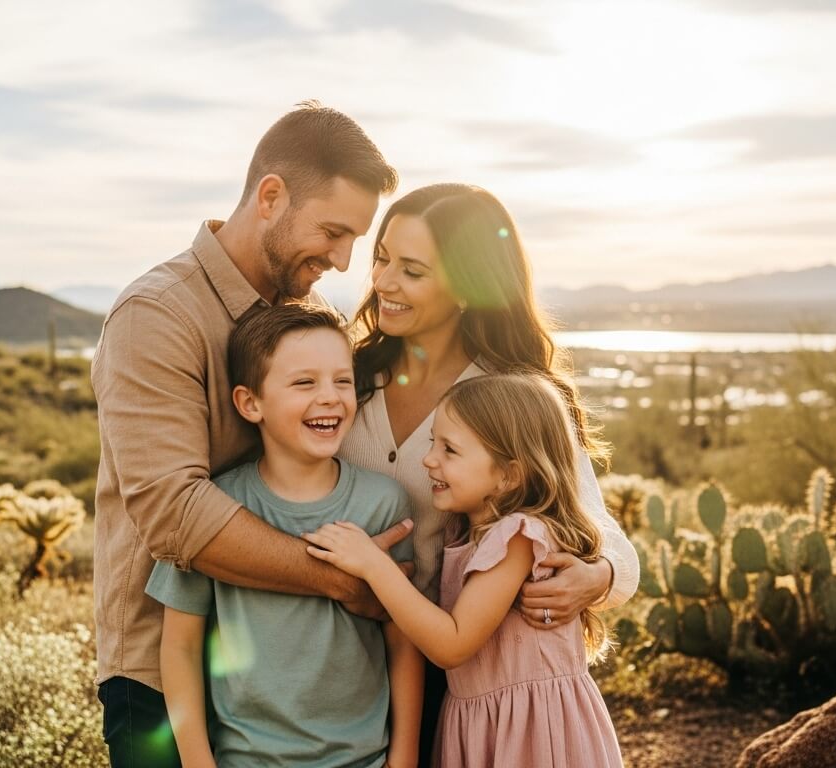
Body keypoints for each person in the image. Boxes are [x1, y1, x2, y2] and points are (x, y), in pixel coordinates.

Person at [90, 101, 408, 767]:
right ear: (270, 197)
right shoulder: (157, 315)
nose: (345, 260)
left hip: (299, 685)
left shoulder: (312, 318)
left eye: (356, 238)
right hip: (164, 671)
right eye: (332, 231)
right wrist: (343, 581)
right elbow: (174, 514)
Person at [334, 183, 639, 760]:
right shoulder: (345, 378)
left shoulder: (512, 399)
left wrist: (594, 578)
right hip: (349, 660)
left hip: (470, 679)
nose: (383, 282)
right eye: (382, 259)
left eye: (412, 270)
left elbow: (604, 537)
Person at [148, 303, 422, 767]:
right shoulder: (217, 507)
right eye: (304, 382)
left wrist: (404, 758)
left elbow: (403, 641)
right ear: (249, 403)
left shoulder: (384, 503)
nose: (331, 397)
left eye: (341, 380)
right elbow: (180, 646)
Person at [305, 373, 624, 767]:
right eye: (431, 443)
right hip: (484, 724)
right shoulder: (465, 532)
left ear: (509, 474)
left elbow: (452, 645)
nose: (429, 460)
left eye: (450, 450)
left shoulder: (517, 538)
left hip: (530, 735)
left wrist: (373, 565)